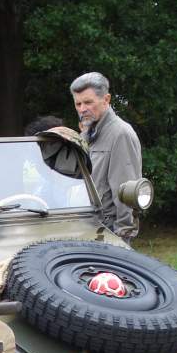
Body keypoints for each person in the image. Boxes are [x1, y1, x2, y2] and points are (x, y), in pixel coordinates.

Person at [70, 72, 142, 240]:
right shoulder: (87, 133)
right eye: (78, 103)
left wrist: (122, 237)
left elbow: (126, 192)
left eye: (88, 102)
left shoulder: (120, 134)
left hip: (107, 231)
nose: (82, 109)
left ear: (106, 99)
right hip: (86, 226)